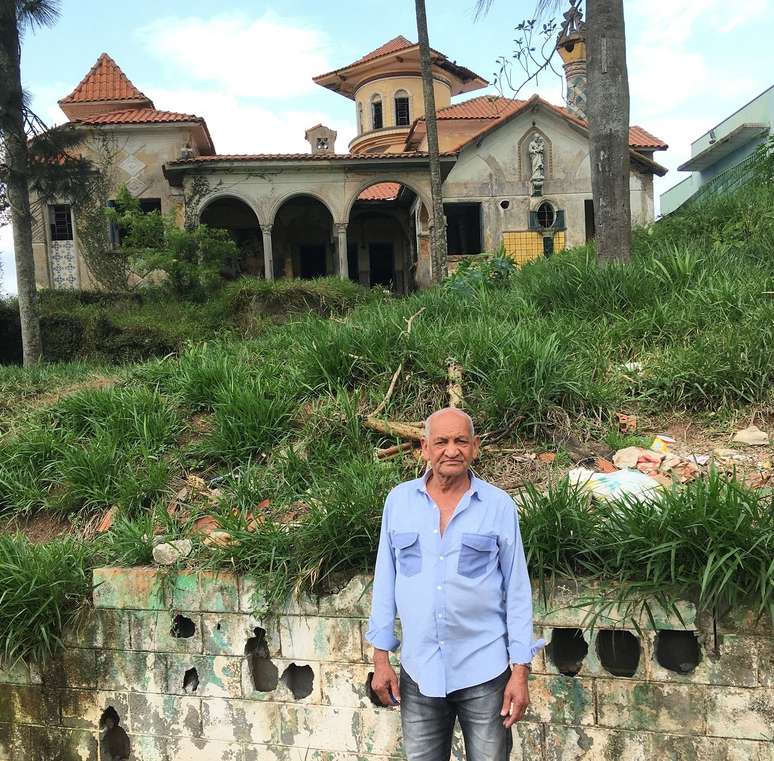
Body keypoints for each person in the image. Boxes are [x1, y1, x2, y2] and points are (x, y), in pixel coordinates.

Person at [366, 407, 543, 761]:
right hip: (420, 673)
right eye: (442, 441)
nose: (452, 450)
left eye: (461, 441)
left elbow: (518, 592)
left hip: (485, 672)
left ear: (475, 446)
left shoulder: (498, 506)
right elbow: (385, 581)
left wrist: (520, 670)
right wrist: (380, 658)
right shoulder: (398, 502)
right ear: (424, 448)